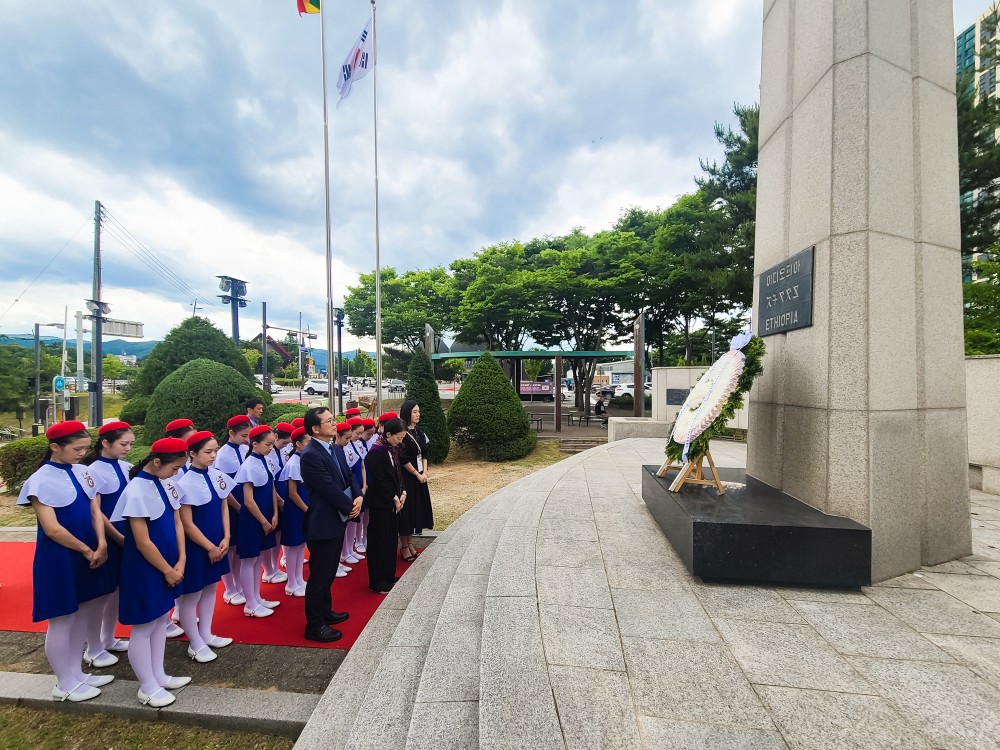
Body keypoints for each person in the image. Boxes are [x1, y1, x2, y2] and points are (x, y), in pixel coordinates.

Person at [18, 421, 114, 703]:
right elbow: (52, 529)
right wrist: (87, 550)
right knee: (62, 618)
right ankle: (64, 682)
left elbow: (96, 510)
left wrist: (102, 543)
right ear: (55, 447)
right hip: (60, 556)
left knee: (82, 613)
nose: (82, 454)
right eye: (77, 449)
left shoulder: (84, 472)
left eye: (85, 448)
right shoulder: (40, 480)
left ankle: (77, 673)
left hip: (93, 549)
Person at [110, 438, 191, 708]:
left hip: (169, 563)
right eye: (175, 468)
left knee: (160, 622)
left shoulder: (165, 483)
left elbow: (178, 523)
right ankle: (146, 686)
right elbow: (142, 540)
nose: (176, 473)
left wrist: (181, 559)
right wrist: (168, 569)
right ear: (156, 462)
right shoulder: (136, 490)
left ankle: (159, 675)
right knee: (144, 626)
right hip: (147, 568)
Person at [299, 407, 361, 643]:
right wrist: (350, 507)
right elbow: (327, 488)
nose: (335, 424)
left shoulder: (335, 448)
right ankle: (314, 625)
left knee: (328, 571)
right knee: (320, 576)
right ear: (315, 429)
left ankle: (326, 611)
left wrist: (358, 497)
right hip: (323, 522)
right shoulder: (311, 454)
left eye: (333, 420)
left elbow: (349, 477)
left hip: (338, 517)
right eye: (329, 421)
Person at [175, 431, 234, 663]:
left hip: (218, 540)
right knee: (192, 594)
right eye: (208, 452)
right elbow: (186, 523)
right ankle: (195, 642)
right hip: (197, 545)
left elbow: (223, 508)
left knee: (211, 588)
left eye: (215, 451)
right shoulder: (184, 482)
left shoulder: (216, 475)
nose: (213, 456)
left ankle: (206, 633)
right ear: (192, 454)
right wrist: (209, 546)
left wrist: (227, 536)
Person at [80, 420, 135, 667]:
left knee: (117, 590)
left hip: (127, 532)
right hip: (108, 535)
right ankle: (93, 647)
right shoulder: (93, 470)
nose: (128, 448)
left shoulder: (126, 467)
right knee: (101, 594)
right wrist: (115, 537)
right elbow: (97, 511)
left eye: (131, 444)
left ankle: (108, 637)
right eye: (123, 444)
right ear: (105, 443)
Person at [233, 425, 281, 618]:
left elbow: (271, 489)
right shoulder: (249, 465)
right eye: (267, 444)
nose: (271, 447)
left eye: (272, 443)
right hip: (253, 520)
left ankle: (257, 597)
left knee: (258, 559)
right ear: (255, 444)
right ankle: (250, 603)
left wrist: (275, 514)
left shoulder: (266, 461)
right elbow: (248, 501)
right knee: (249, 559)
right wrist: (263, 521)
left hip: (268, 516)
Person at [363, 418, 408, 594]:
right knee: (379, 542)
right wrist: (393, 497)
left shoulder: (393, 449)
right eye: (398, 437)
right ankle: (378, 580)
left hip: (393, 502)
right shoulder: (376, 451)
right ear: (388, 434)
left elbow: (398, 473)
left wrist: (403, 492)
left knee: (390, 540)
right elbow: (379, 480)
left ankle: (389, 576)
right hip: (381, 503)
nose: (400, 441)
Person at [214, 415, 251, 606]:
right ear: (231, 433)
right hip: (231, 505)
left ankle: (239, 584)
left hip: (244, 504)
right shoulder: (222, 455)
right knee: (230, 548)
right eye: (243, 435)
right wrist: (238, 506)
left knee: (238, 549)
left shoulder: (245, 449)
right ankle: (229, 588)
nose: (247, 439)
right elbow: (223, 488)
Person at [398, 400, 434, 561]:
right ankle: (404, 546)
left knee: (416, 511)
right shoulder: (403, 433)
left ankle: (411, 543)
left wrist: (424, 471)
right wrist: (416, 474)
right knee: (407, 511)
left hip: (420, 475)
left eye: (418, 411)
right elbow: (403, 457)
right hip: (408, 477)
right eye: (414, 412)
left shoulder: (419, 431)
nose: (417, 414)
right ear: (407, 413)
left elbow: (424, 453)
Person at [279, 426, 311, 596]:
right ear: (298, 444)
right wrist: (307, 510)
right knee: (293, 547)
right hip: (296, 510)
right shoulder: (293, 463)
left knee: (300, 546)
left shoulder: (303, 460)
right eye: (308, 441)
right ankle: (291, 583)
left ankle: (299, 579)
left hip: (304, 508)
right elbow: (292, 492)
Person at [261, 422, 294, 585]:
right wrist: (279, 500)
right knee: (271, 535)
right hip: (273, 498)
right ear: (275, 438)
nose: (286, 446)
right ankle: (268, 570)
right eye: (284, 442)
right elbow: (270, 481)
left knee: (280, 533)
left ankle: (276, 564)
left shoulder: (282, 450)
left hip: (283, 495)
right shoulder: (267, 454)